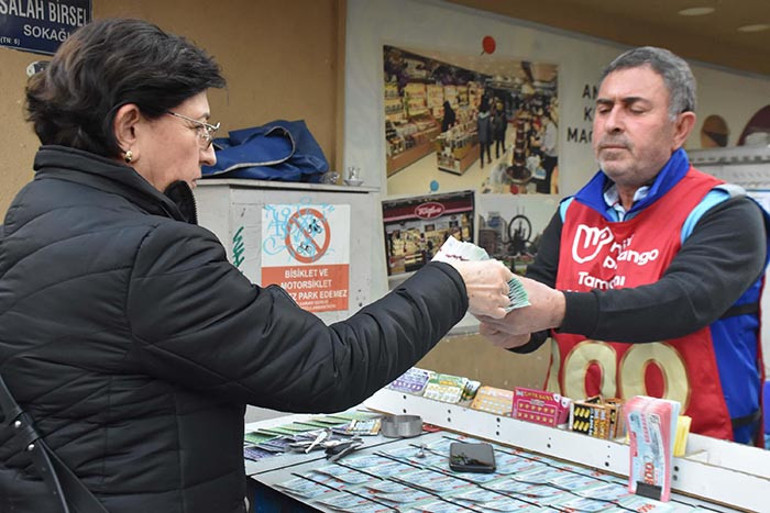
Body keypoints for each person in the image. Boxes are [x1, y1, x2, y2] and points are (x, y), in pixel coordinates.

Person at [0, 19, 515, 513]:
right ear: (129, 128)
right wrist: (452, 283)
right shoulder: (150, 252)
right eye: (199, 129)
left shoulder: (29, 220)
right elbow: (330, 366)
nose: (209, 156)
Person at [478, 46, 769, 445]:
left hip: (699, 454)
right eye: (603, 108)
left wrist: (559, 309)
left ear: (680, 128)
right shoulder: (571, 212)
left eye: (635, 109)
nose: (612, 123)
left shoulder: (726, 211)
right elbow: (540, 318)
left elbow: (683, 303)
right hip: (578, 445)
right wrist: (516, 330)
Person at [477, 96, 492, 168]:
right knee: (488, 147)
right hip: (487, 134)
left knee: (481, 149)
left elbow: (478, 126)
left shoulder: (479, 116)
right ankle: (489, 158)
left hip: (481, 134)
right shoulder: (488, 116)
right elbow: (490, 127)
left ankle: (482, 163)